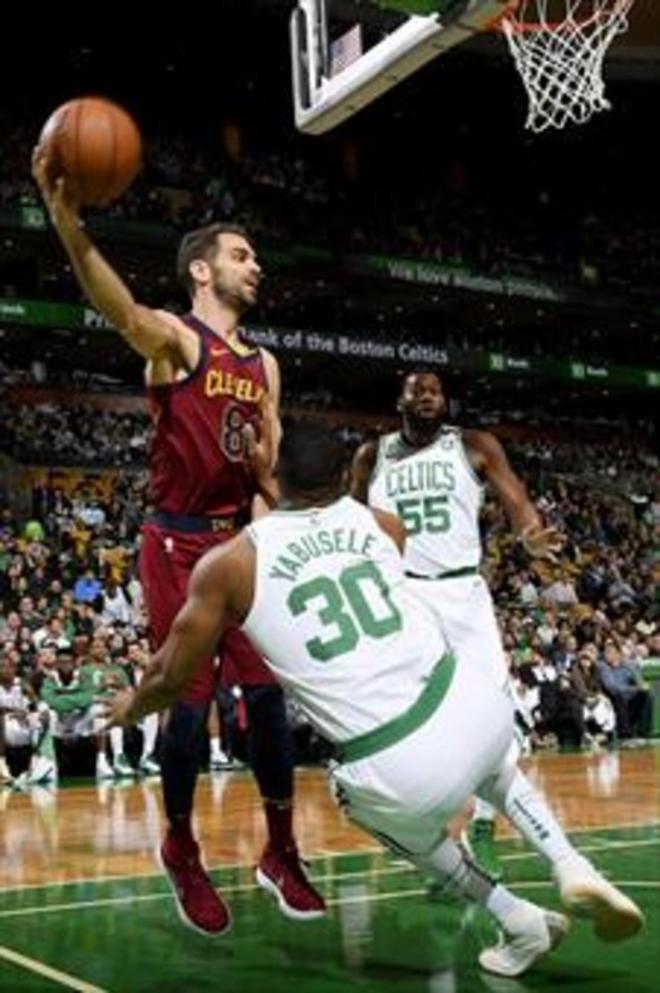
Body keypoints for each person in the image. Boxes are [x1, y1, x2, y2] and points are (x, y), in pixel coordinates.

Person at [107, 420, 642, 980]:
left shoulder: (230, 566)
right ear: (343, 476)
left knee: (378, 811)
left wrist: (131, 708)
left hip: (399, 765)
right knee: (491, 763)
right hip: (473, 705)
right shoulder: (386, 526)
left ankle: (516, 918)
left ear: (271, 468)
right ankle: (568, 861)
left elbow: (171, 678)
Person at [31, 149, 324, 936]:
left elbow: (267, 464)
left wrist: (296, 530)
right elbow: (122, 311)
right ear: (202, 271)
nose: (254, 265)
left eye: (255, 255)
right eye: (240, 254)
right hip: (176, 544)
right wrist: (71, 229)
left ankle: (281, 849)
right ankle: (181, 845)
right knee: (188, 712)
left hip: (243, 543)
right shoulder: (176, 341)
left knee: (267, 698)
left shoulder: (264, 363)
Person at [350, 370, 562, 877]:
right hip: (403, 594)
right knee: (411, 723)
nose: (426, 396)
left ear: (444, 400)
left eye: (435, 390)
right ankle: (435, 835)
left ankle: (484, 826)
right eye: (416, 389)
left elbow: (516, 500)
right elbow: (352, 521)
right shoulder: (370, 456)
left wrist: (529, 534)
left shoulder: (473, 444)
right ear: (398, 399)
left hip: (463, 592)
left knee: (495, 715)